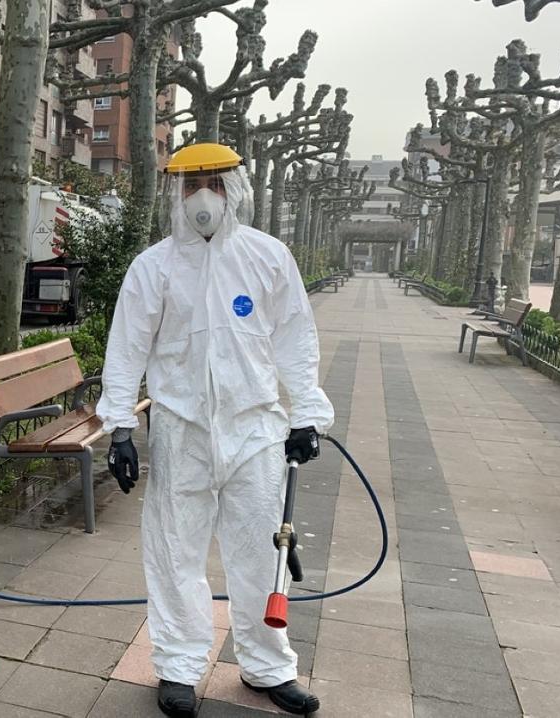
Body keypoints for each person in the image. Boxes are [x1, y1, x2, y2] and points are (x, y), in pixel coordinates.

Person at [96, 143, 333, 718]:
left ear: (236, 189)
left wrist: (306, 412)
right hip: (182, 432)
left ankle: (268, 666)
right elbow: (126, 348)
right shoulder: (153, 267)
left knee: (260, 552)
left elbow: (295, 339)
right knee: (175, 553)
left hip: (255, 430)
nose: (204, 196)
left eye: (216, 183)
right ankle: (179, 666)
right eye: (192, 184)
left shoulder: (267, 257)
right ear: (175, 193)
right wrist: (120, 427)